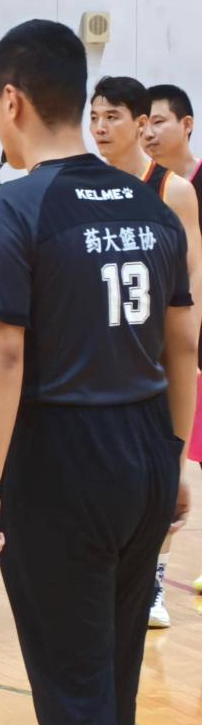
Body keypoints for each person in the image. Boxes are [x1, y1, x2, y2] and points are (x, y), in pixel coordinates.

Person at [0, 20, 196, 725]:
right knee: (110, 682)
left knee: (73, 691)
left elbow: (1, 353)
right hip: (144, 449)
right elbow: (182, 342)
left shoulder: (14, 208)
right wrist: (177, 456)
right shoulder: (150, 203)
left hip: (64, 463)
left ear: (12, 100)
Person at [89, 75, 202, 628]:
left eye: (111, 116)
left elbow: (192, 278)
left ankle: (152, 582)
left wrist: (185, 347)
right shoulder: (86, 187)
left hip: (159, 356)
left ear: (136, 124)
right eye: (94, 117)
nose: (100, 127)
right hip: (102, 358)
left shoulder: (172, 190)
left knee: (165, 469)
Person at [143, 83, 202, 595]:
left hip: (193, 342)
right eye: (144, 121)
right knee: (169, 458)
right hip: (164, 349)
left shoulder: (190, 189)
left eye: (159, 121)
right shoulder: (141, 189)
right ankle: (154, 582)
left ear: (186, 125)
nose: (149, 131)